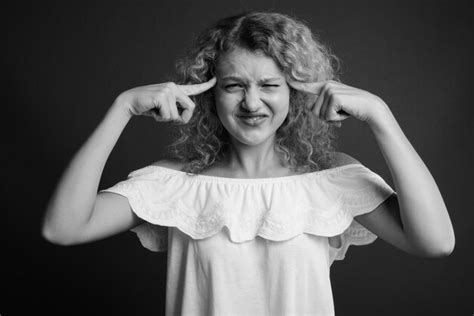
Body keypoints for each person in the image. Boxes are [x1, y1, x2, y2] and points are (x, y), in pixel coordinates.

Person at [41, 11, 455, 316]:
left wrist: (380, 115)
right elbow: (62, 229)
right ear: (210, 93)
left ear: (294, 92)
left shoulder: (329, 180)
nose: (252, 103)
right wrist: (122, 108)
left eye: (270, 86)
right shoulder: (175, 184)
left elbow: (435, 241)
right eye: (234, 86)